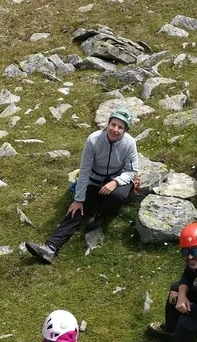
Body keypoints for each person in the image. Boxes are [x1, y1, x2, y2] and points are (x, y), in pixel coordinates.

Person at [25, 108, 140, 264]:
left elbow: (132, 171)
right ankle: (50, 248)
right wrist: (79, 199)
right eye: (113, 124)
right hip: (94, 181)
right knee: (76, 210)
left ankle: (99, 214)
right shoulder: (93, 140)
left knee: (119, 196)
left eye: (120, 127)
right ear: (108, 124)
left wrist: (115, 182)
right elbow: (84, 170)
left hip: (116, 180)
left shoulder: (129, 143)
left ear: (125, 130)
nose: (115, 130)